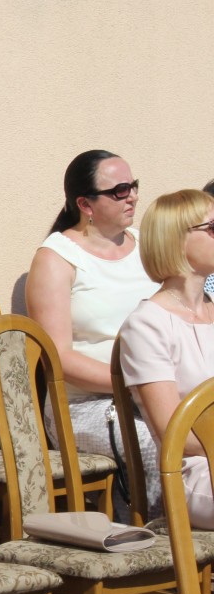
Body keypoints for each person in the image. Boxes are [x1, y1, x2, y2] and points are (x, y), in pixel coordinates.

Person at [24, 149, 159, 516]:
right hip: (87, 405)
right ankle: (163, 538)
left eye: (133, 185)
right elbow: (59, 358)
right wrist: (133, 382)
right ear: (85, 204)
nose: (132, 196)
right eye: (119, 190)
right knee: (162, 444)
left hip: (153, 390)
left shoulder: (145, 245)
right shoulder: (57, 258)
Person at [119, 189, 214, 529]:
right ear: (176, 239)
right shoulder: (147, 324)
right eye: (213, 227)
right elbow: (175, 433)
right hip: (195, 473)